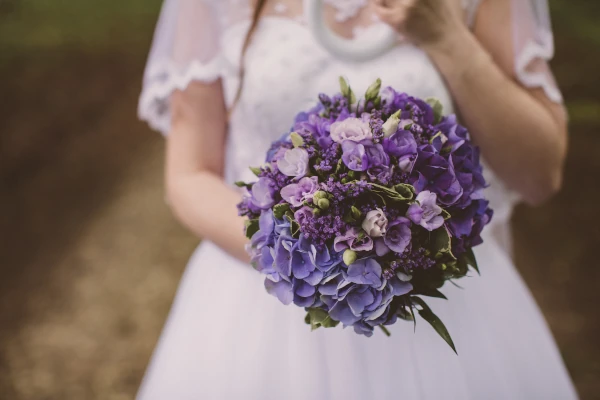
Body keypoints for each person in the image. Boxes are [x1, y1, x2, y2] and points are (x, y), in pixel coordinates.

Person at [136, 0, 578, 398]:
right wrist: (307, 261)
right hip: (260, 304)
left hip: (437, 303)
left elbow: (540, 176)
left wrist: (448, 39)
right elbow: (190, 174)